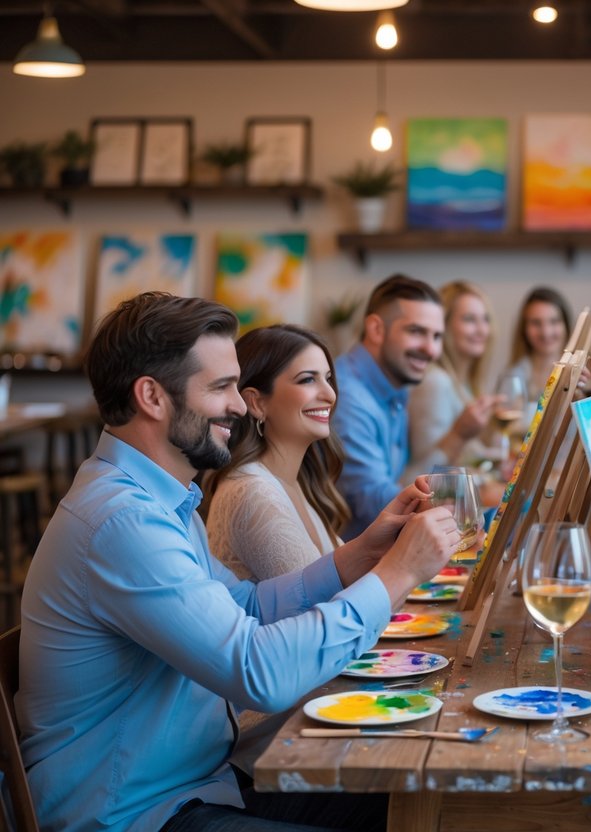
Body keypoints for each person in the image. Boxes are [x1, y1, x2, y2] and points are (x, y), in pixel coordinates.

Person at [17, 292, 459, 832]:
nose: (239, 405)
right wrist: (398, 573)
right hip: (136, 815)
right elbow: (257, 672)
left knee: (430, 793)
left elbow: (247, 605)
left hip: (199, 786)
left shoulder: (160, 500)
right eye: (221, 387)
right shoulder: (124, 522)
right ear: (152, 397)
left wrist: (362, 554)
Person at [333, 274, 474, 537]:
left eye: (437, 336)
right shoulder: (349, 399)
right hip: (356, 556)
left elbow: (399, 480)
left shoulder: (395, 384)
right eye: (416, 331)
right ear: (376, 329)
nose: (431, 350)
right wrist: (469, 504)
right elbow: (376, 504)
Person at [204, 324, 349, 581]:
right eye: (308, 379)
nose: (330, 394)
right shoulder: (251, 490)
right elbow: (320, 599)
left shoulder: (296, 482)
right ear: (256, 403)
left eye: (328, 379)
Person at [404, 280, 500, 480]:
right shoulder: (435, 382)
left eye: (485, 319)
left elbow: (466, 457)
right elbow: (426, 473)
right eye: (469, 319)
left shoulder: (465, 382)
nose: (482, 329)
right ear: (443, 325)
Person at [504, 285, 574, 402]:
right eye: (536, 323)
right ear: (524, 329)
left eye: (554, 321)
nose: (546, 332)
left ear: (566, 326)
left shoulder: (583, 377)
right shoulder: (512, 378)